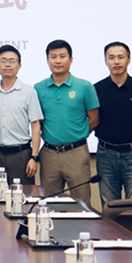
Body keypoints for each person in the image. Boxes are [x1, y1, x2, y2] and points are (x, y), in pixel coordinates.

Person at [34, 39, 99, 205]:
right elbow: (37, 122)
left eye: (62, 56)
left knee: (81, 202)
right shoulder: (38, 88)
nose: (57, 61)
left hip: (76, 153)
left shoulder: (85, 86)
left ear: (71, 59)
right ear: (47, 60)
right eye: (53, 57)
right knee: (49, 203)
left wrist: (76, 135)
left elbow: (94, 119)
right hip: (49, 154)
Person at [94, 41, 132, 204]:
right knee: (109, 206)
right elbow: (92, 119)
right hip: (106, 155)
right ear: (105, 61)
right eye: (111, 57)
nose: (116, 62)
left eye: (121, 57)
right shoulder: (97, 89)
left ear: (129, 60)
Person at [0, 44, 43, 184]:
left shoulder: (28, 92)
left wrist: (34, 157)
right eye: (3, 61)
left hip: (21, 155)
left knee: (24, 195)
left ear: (19, 65)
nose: (7, 64)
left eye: (12, 61)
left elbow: (35, 125)